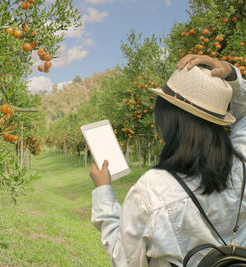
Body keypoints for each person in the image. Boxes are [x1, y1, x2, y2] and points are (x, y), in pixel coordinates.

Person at [89, 55, 246, 266]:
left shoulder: (152, 191)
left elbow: (123, 260)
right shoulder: (242, 163)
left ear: (166, 120)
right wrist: (232, 74)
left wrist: (103, 191)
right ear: (219, 120)